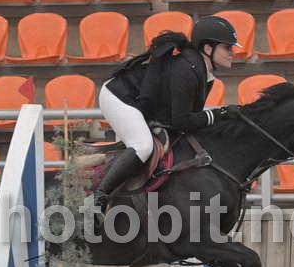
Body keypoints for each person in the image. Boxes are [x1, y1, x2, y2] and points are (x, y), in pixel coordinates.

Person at [94, 15, 244, 213]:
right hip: (119, 96)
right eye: (227, 47)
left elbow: (185, 120)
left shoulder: (202, 72)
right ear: (208, 49)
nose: (232, 53)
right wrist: (220, 113)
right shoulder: (187, 70)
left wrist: (219, 115)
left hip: (137, 101)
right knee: (142, 146)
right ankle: (98, 198)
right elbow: (181, 121)